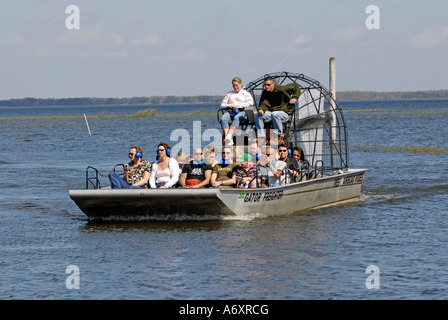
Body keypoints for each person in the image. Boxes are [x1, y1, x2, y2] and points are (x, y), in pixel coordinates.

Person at [255, 76, 301, 140]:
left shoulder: (282, 89)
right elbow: (262, 103)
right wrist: (261, 110)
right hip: (273, 112)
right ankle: (261, 136)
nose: (266, 87)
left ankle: (278, 134)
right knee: (257, 115)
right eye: (265, 85)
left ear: (273, 84)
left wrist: (295, 98)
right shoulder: (265, 93)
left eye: (268, 85)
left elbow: (295, 86)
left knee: (275, 114)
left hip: (285, 113)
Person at [219, 77, 254, 146]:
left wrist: (239, 105)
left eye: (236, 85)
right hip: (231, 111)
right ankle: (228, 137)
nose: (235, 87)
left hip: (242, 112)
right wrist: (230, 105)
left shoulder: (245, 93)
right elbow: (222, 105)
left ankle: (229, 136)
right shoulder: (230, 94)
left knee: (237, 118)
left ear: (240, 84)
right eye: (233, 86)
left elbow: (250, 103)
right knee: (223, 119)